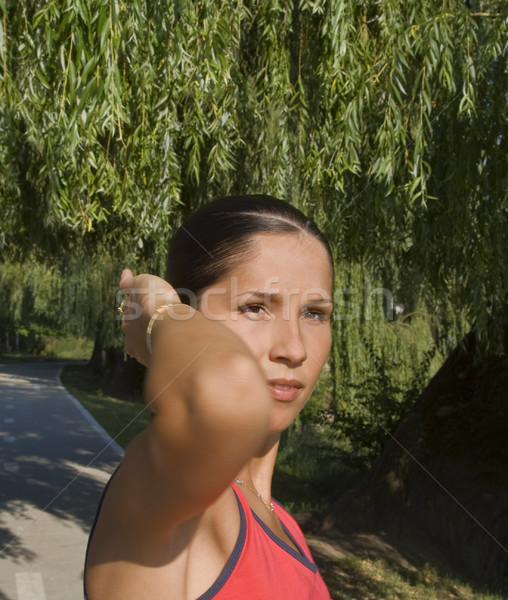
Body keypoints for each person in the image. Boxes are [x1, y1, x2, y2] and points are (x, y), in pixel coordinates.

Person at [84, 195, 334, 599]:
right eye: (255, 307)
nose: (295, 348)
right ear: (188, 315)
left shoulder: (285, 527)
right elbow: (226, 387)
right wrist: (155, 314)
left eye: (314, 314)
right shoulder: (175, 498)